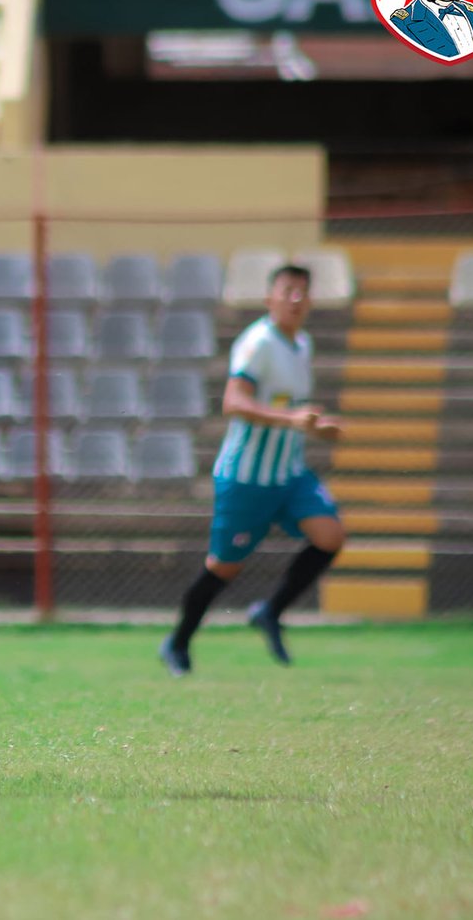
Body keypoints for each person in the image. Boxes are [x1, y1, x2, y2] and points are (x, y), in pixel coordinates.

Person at [160, 264, 346, 676]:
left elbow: (289, 410)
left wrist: (316, 427)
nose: (295, 299)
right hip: (246, 479)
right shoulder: (257, 342)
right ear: (270, 298)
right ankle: (177, 641)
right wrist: (292, 419)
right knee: (224, 568)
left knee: (330, 535)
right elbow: (234, 402)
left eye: (302, 292)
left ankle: (270, 611)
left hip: (288, 474)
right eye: (287, 291)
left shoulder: (303, 345)